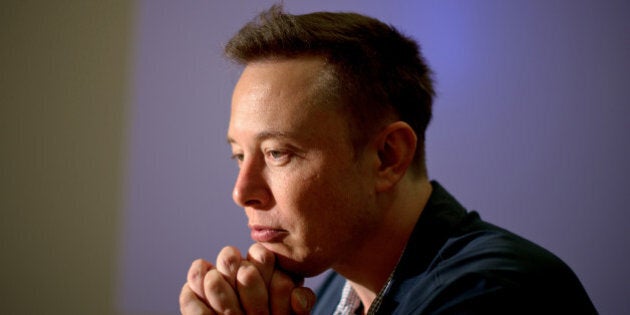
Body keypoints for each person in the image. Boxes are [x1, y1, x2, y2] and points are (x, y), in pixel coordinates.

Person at [179, 5, 597, 315]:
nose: (242, 192)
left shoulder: (496, 295)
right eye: (239, 155)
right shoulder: (332, 293)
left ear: (387, 156)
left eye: (277, 153)